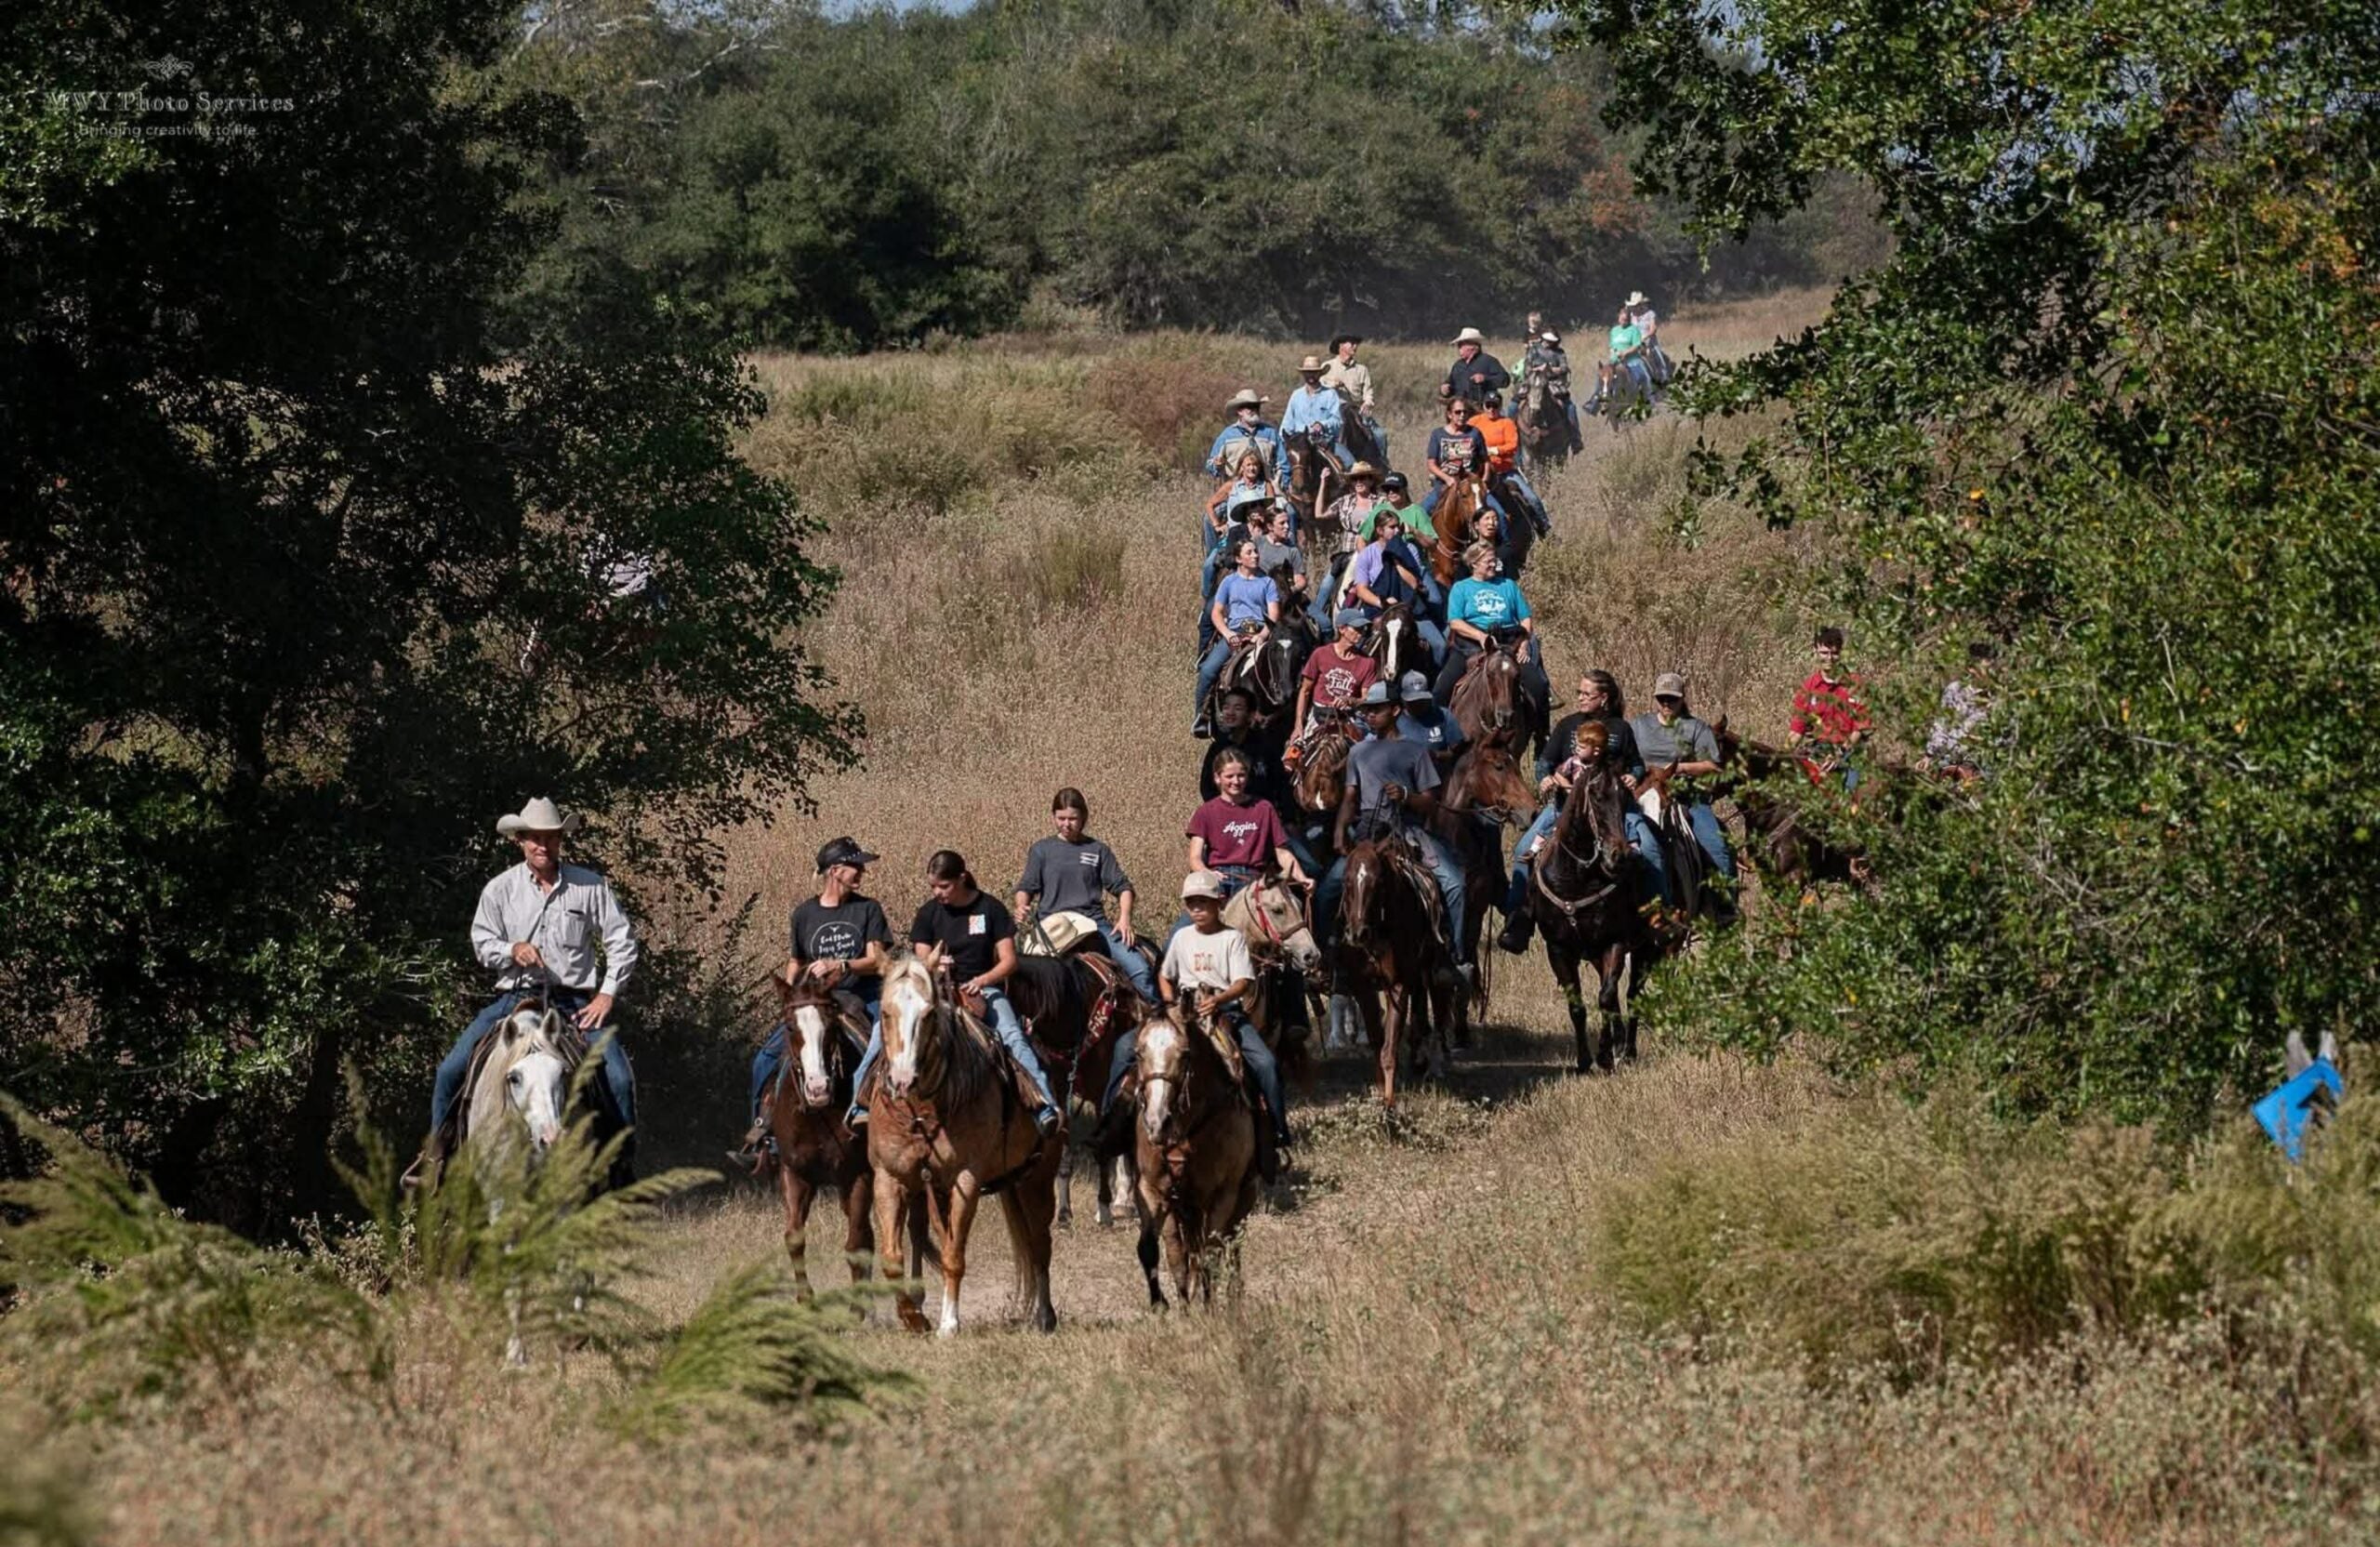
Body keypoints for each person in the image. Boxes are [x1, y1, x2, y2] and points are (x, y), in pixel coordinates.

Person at [431, 797, 641, 1159]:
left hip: (576, 1003)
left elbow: (621, 940)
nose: (543, 846)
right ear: (521, 840)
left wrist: (606, 995)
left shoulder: (590, 887)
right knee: (450, 1070)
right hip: (514, 998)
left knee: (620, 1080)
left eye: (551, 838)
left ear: (561, 840)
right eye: (535, 838)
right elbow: (482, 943)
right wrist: (512, 950)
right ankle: (437, 1159)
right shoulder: (499, 889)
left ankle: (621, 1173)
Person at [731, 835, 893, 1173]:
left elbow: (878, 960)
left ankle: (893, 1132)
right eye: (855, 866)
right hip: (812, 1003)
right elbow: (796, 960)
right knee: (765, 1059)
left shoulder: (868, 909)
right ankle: (764, 1138)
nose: (861, 872)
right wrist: (791, 993)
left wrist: (842, 965)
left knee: (886, 1053)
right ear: (835, 871)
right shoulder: (805, 913)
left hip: (860, 998)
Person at [1103, 871, 1291, 1159]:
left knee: (1265, 1063)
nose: (1198, 909)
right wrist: (1169, 1002)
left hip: (1225, 1011)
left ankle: (1276, 1132)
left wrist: (1219, 999)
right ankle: (1111, 1124)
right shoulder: (1181, 937)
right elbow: (1165, 975)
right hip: (1182, 1011)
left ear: (1219, 903)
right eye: (1192, 903)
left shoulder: (1232, 938)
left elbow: (1244, 982)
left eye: (1204, 902)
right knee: (1124, 1048)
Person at [879, 851, 1059, 1136]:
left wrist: (983, 979)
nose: (938, 893)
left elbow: (1009, 961)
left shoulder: (990, 909)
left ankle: (1043, 1105)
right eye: (933, 887)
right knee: (884, 1028)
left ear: (961, 879)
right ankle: (862, 1104)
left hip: (984, 991)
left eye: (944, 886)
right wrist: (935, 968)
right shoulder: (928, 913)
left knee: (1012, 1035)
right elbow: (922, 960)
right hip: (935, 994)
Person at [1500, 671, 1664, 952]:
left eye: (1587, 694)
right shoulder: (1567, 726)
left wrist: (1633, 777)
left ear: (1604, 699)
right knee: (1522, 851)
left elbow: (1636, 764)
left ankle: (1658, 918)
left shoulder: (1620, 729)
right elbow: (1546, 762)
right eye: (1579, 692)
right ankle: (1519, 921)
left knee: (1650, 850)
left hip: (1614, 810)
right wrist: (1545, 778)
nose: (1580, 698)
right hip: (1565, 809)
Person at [1314, 683, 1468, 963]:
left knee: (1454, 883)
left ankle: (1452, 956)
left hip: (1408, 831)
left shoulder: (1415, 751)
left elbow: (1430, 802)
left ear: (1395, 711)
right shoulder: (1359, 752)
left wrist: (1406, 795)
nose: (1370, 716)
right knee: (1327, 890)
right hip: (1366, 835)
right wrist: (1339, 831)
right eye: (1367, 711)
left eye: (1377, 710)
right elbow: (1350, 797)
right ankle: (1328, 957)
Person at [1015, 788, 1159, 1002]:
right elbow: (1026, 887)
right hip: (1052, 927)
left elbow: (1123, 887)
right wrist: (1021, 907)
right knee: (1023, 981)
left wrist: (1124, 918)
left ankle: (1155, 1019)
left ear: (1083, 817)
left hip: (1094, 925)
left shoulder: (1097, 849)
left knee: (1139, 970)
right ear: (1053, 816)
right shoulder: (1041, 850)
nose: (1066, 824)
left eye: (1072, 818)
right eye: (1061, 818)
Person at [1629, 673, 1738, 914]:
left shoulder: (1696, 728)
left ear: (1682, 700)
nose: (1666, 704)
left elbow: (1712, 766)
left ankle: (1723, 911)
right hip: (1643, 793)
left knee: (1717, 846)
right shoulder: (1638, 726)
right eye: (1662, 699)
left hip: (1686, 797)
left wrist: (1679, 768)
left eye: (1672, 699)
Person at [1435, 541, 1546, 712]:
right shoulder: (1461, 588)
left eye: (1495, 560)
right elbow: (1455, 622)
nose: (1494, 564)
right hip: (1470, 646)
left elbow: (1525, 618)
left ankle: (1542, 733)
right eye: (1488, 561)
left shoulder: (1508, 585)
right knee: (1442, 690)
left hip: (1509, 645)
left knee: (1538, 685)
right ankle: (1442, 731)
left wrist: (1524, 643)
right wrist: (1480, 636)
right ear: (1474, 564)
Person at [1196, 538, 1280, 736]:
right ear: (1238, 558)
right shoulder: (1229, 582)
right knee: (1208, 670)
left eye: (1256, 552)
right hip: (1234, 634)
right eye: (1249, 553)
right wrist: (1228, 633)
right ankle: (1202, 716)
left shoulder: (1267, 582)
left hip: (1260, 634)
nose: (1255, 556)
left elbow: (1274, 613)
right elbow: (1217, 612)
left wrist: (1262, 635)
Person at [1342, 509, 1446, 661]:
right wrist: (1383, 602)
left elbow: (1414, 583)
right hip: (1380, 609)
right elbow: (1362, 590)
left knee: (1439, 645)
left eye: (1398, 526)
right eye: (1392, 527)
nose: (1397, 530)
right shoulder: (1367, 554)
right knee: (1359, 647)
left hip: (1409, 607)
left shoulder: (1409, 549)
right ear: (1379, 531)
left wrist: (1397, 559)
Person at [1791, 626, 1869, 794]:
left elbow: (1860, 728)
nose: (1829, 658)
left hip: (1851, 751)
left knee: (1851, 793)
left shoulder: (1855, 684)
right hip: (1819, 749)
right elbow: (1797, 731)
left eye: (1834, 653)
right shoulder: (1808, 688)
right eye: (1824, 653)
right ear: (1816, 651)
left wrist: (1839, 754)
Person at [1468, 392, 1550, 538]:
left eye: (1495, 406)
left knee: (1532, 498)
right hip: (1478, 472)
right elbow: (1464, 438)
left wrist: (1496, 450)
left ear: (1500, 407)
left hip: (1505, 471)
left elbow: (1512, 445)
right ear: (1484, 406)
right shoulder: (1474, 422)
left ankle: (1545, 529)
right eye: (1488, 405)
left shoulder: (1507, 423)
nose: (1492, 409)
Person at [1293, 608, 1381, 735]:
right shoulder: (1320, 654)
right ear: (1342, 629)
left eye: (1363, 629)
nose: (1361, 633)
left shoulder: (1368, 663)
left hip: (1348, 717)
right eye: (1356, 628)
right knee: (1295, 751)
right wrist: (1298, 725)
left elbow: (1366, 698)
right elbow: (1305, 691)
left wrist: (1352, 700)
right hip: (1319, 715)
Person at [1201, 687, 1292, 807]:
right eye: (1226, 707)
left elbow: (1280, 784)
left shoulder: (1265, 746)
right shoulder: (1217, 748)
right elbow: (1207, 787)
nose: (1230, 712)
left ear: (1251, 715)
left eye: (1237, 708)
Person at [1924, 641, 1996, 781]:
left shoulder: (1999, 696)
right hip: (1956, 757)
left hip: (1985, 761)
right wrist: (1929, 755)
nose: (1991, 672)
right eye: (1987, 666)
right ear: (1971, 669)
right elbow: (1942, 724)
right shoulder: (1955, 691)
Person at [1519, 329, 1585, 459]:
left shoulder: (1559, 352)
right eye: (1548, 340)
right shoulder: (1534, 350)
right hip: (1533, 382)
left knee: (1570, 408)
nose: (1549, 343)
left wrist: (1550, 369)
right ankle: (1513, 439)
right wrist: (1537, 369)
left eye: (1552, 341)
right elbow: (1527, 367)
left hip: (1553, 384)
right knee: (1514, 406)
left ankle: (1575, 438)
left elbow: (1564, 368)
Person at [1320, 334, 1384, 464]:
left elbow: (1368, 391)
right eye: (1352, 343)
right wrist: (1332, 384)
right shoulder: (1327, 366)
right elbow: (1320, 386)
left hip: (1355, 410)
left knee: (1380, 434)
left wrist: (1367, 402)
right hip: (1333, 411)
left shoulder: (1361, 369)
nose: (1355, 347)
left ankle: (1382, 462)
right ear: (1341, 346)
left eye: (1356, 344)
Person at [1204, 389, 1289, 485]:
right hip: (1234, 491)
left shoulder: (1271, 433)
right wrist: (1216, 464)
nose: (1254, 410)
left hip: (1266, 489)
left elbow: (1284, 465)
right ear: (1239, 411)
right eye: (1250, 407)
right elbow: (1210, 465)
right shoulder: (1227, 435)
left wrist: (1282, 485)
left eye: (1256, 406)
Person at [1421, 396, 1487, 521]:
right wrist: (1447, 479)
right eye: (1458, 412)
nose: (1462, 415)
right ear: (1449, 414)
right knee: (1422, 511)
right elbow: (1431, 464)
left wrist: (1483, 480)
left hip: (1470, 484)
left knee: (1497, 513)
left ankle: (1503, 540)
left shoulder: (1475, 433)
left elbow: (1485, 461)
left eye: (1465, 412)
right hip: (1444, 484)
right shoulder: (1438, 434)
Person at [1281, 355, 1349, 467]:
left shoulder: (1330, 394)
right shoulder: (1296, 395)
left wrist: (1322, 425)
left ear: (1319, 374)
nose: (1310, 375)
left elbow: (1338, 420)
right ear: (1303, 374)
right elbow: (1287, 423)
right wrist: (1283, 440)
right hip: (1299, 443)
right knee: (1281, 467)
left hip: (1324, 442)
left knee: (1350, 464)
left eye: (1314, 372)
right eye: (1308, 372)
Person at [1394, 670, 1467, 769]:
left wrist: (1436, 755)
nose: (1418, 704)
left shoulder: (1443, 715)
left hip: (1440, 776)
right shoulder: (1395, 722)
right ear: (1403, 699)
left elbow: (1459, 753)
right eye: (1413, 701)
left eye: (1422, 700)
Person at [1252, 502, 1309, 612]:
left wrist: (1290, 590)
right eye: (1282, 523)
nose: (1287, 527)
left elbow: (1300, 580)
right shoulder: (1257, 543)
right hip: (1258, 593)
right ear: (1270, 527)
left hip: (1286, 596)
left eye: (1287, 522)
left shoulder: (1292, 550)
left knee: (1324, 622)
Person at [1445, 326, 1512, 405]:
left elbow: (1505, 380)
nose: (1459, 349)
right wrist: (1445, 389)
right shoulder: (1458, 365)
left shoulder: (1488, 361)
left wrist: (1485, 379)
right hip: (1461, 412)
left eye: (1461, 345)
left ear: (1472, 346)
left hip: (1482, 410)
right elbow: (1450, 383)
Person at [1628, 291, 1673, 384]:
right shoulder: (1632, 316)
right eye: (1633, 306)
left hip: (1649, 343)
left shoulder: (1650, 314)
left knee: (1659, 361)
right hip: (1635, 344)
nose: (1634, 308)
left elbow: (1653, 330)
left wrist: (1644, 337)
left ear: (1641, 305)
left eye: (1636, 305)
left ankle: (1661, 379)